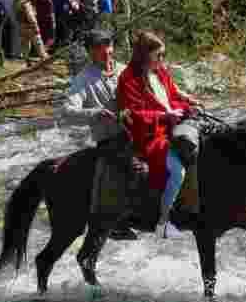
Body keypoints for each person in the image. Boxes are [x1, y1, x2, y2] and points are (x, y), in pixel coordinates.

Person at [117, 31, 201, 239]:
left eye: (163, 55)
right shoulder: (128, 78)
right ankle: (162, 222)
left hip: (173, 125)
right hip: (149, 135)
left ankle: (194, 205)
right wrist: (165, 116)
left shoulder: (160, 72)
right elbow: (133, 114)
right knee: (177, 171)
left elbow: (171, 97)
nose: (162, 60)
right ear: (145, 56)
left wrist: (188, 106)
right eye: (158, 55)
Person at [59, 29, 137, 240]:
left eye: (109, 52)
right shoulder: (83, 80)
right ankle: (116, 222)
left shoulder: (126, 70)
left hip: (138, 131)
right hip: (110, 138)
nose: (107, 57)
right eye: (101, 54)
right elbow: (67, 111)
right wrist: (96, 113)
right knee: (130, 166)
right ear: (90, 54)